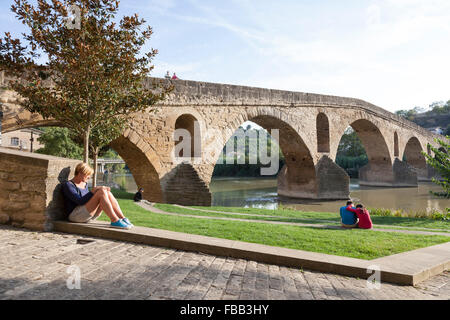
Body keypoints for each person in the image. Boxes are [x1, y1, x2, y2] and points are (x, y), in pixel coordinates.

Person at [62, 163, 133, 229]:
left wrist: (98, 191)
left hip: (88, 215)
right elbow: (80, 201)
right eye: (88, 175)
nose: (89, 177)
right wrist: (94, 191)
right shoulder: (68, 185)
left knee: (106, 192)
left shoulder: (84, 184)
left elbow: (88, 199)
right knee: (101, 192)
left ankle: (122, 218)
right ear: (80, 173)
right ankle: (114, 220)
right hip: (75, 216)